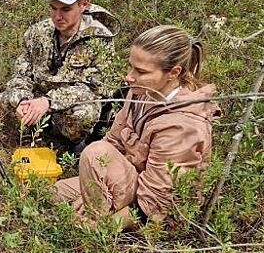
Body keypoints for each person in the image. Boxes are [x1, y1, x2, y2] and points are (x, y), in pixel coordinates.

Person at [54, 25, 221, 228]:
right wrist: (93, 190)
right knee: (54, 194)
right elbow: (114, 141)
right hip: (131, 181)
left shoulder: (184, 126)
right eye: (131, 66)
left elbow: (157, 204)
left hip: (156, 212)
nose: (129, 76)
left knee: (95, 153)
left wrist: (103, 225)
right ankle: (95, 213)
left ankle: (94, 231)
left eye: (141, 71)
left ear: (173, 72)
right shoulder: (142, 91)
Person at [0, 0, 120, 150]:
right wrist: (23, 100)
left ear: (84, 4)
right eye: (53, 8)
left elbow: (94, 89)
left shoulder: (99, 39)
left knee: (83, 114)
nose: (58, 16)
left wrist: (48, 102)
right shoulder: (37, 33)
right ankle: (33, 131)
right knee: (9, 97)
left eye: (66, 9)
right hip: (38, 96)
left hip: (68, 103)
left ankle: (69, 144)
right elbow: (21, 74)